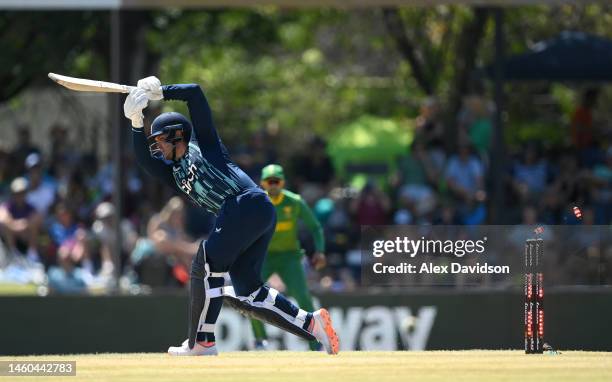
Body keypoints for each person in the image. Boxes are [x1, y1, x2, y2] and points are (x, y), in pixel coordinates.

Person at [123, 76, 339, 356]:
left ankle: (201, 342)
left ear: (177, 134)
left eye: (160, 140)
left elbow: (196, 94)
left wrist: (162, 92)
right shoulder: (173, 174)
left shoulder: (206, 146)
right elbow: (144, 160)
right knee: (249, 291)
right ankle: (312, 324)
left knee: (206, 263)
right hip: (252, 213)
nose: (157, 147)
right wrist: (135, 123)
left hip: (243, 204)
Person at [250, 164, 326, 350]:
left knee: (303, 298)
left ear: (283, 182)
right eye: (270, 181)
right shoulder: (256, 202)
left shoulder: (295, 202)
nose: (274, 185)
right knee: (249, 295)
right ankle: (261, 341)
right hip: (264, 256)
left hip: (290, 257)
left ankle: (314, 344)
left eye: (277, 181)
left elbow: (315, 227)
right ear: (262, 183)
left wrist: (320, 250)